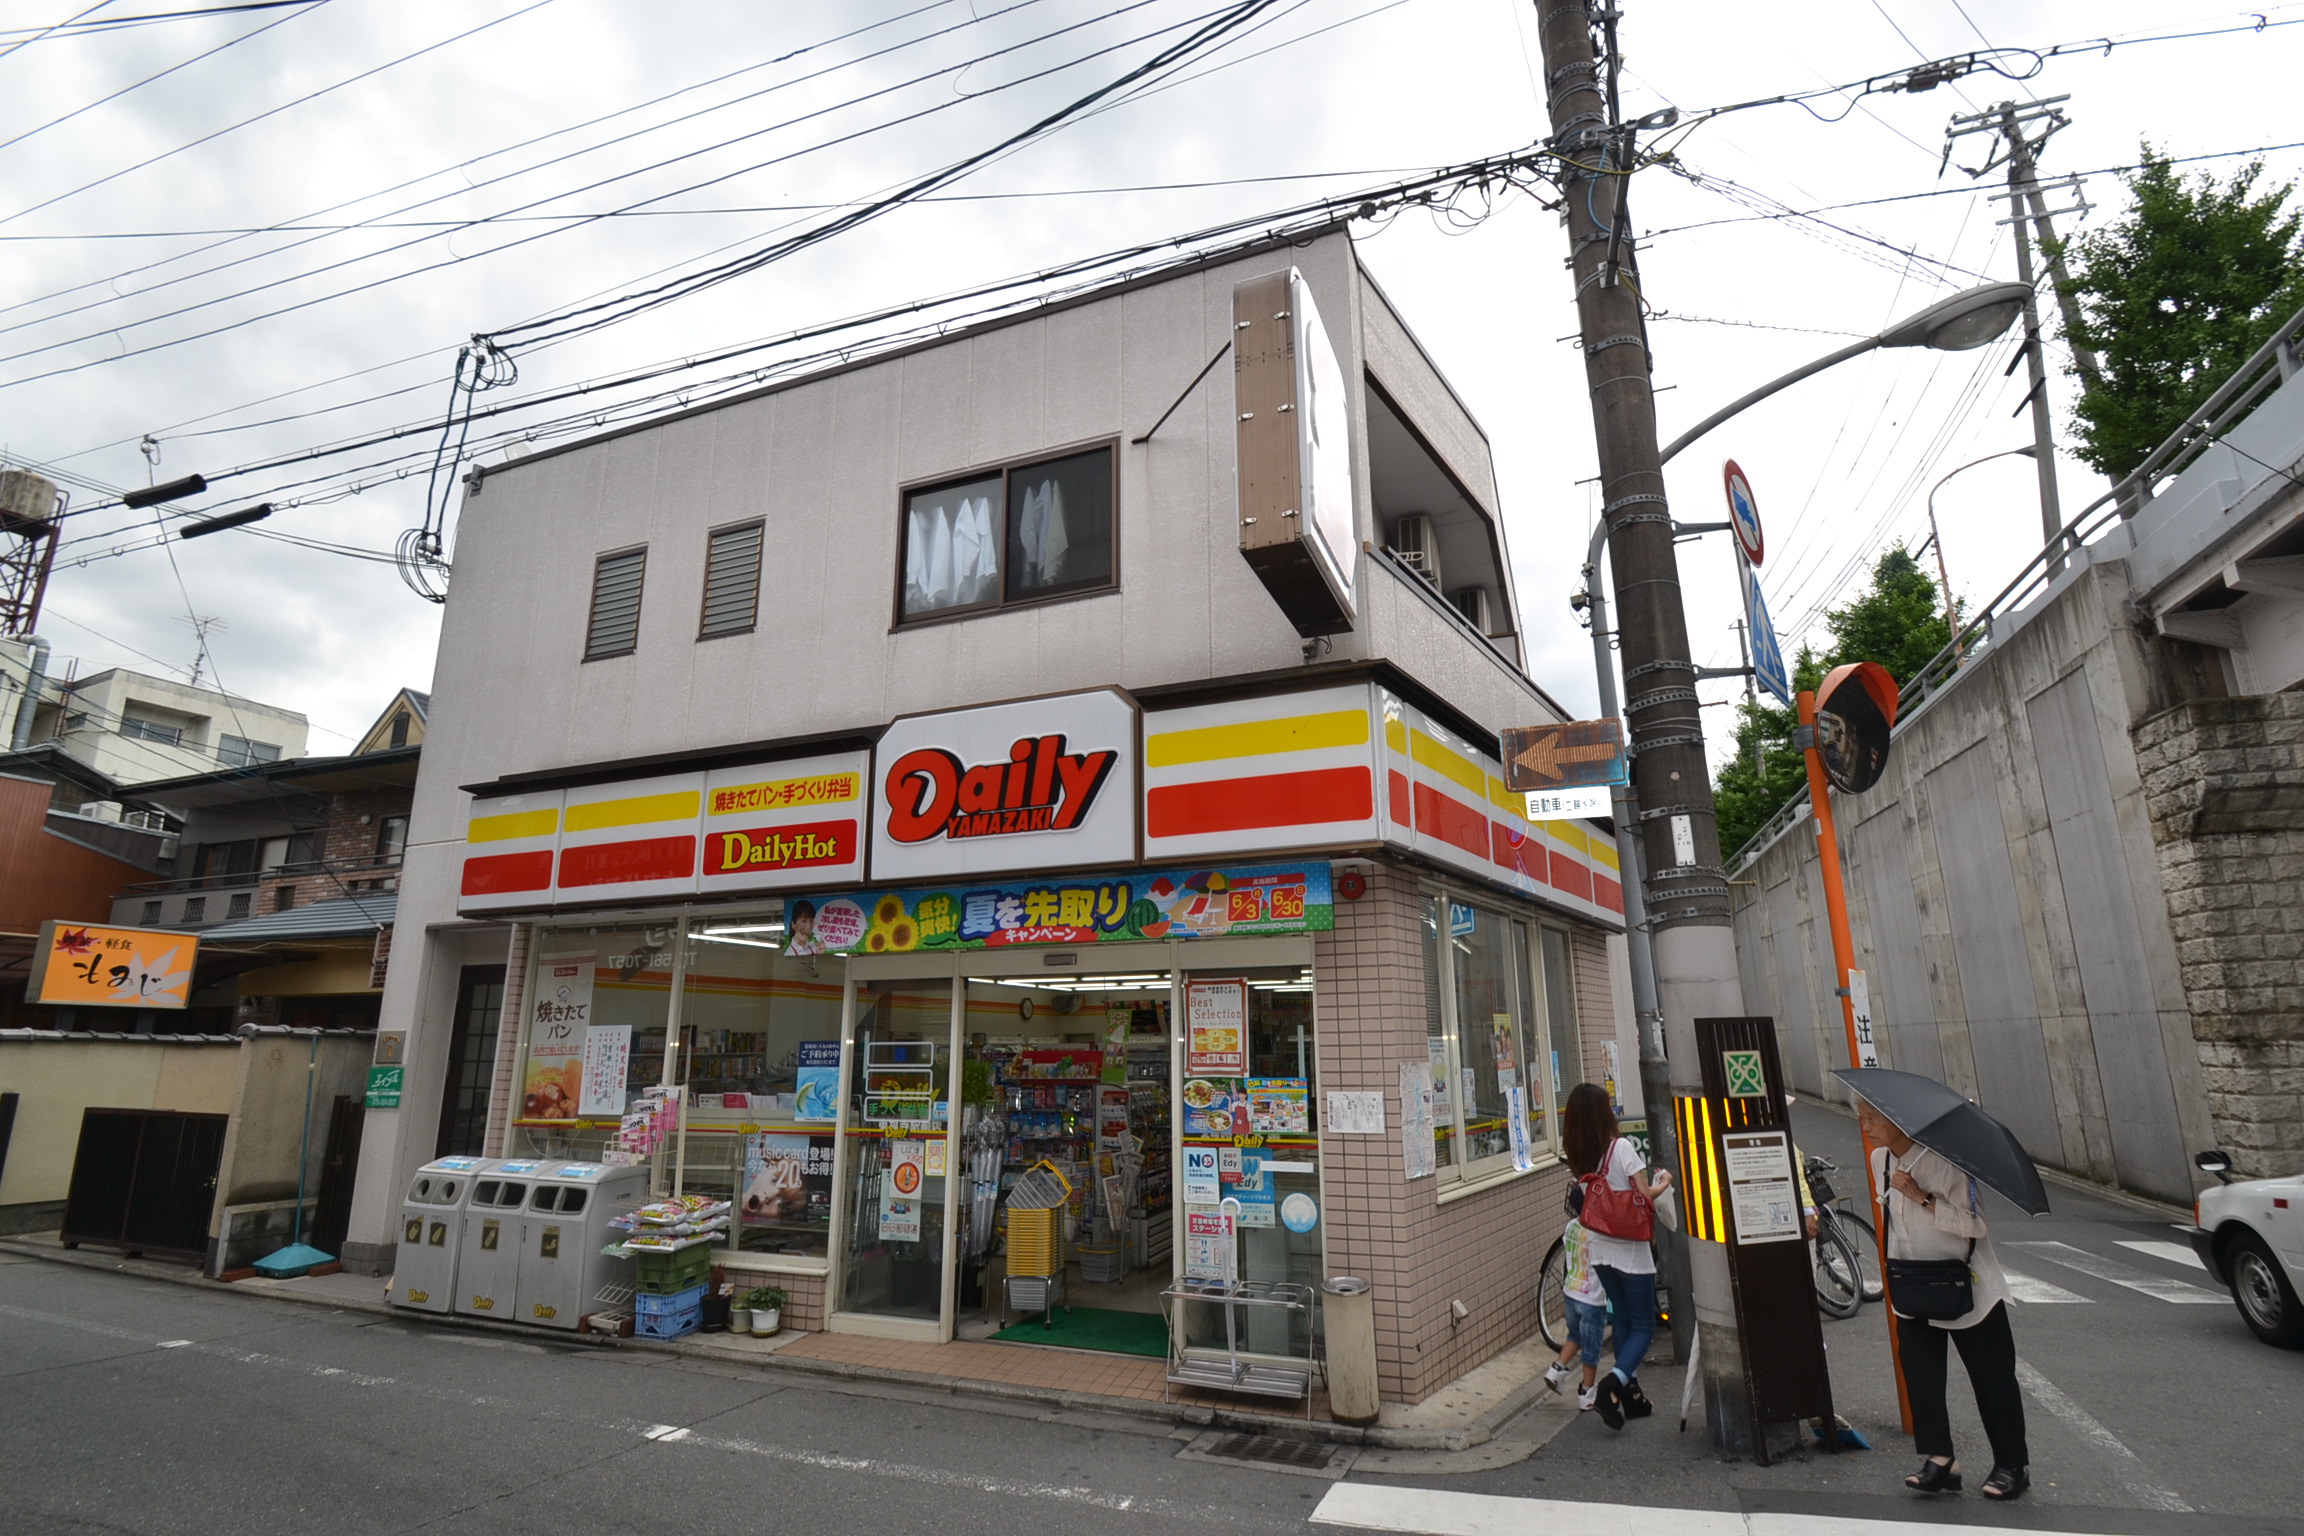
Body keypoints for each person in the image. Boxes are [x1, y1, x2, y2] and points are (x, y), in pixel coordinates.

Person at [1860, 1097, 2030, 1502]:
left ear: (1899, 1120)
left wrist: (1921, 1197)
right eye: (1861, 1117)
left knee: (1992, 1379)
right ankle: (1941, 1461)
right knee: (1922, 1377)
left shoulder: (1948, 1161)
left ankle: (2012, 1465)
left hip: (1967, 1286)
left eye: (1873, 1118)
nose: (1865, 1125)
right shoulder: (1880, 1160)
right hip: (1913, 1282)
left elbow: (1976, 1224)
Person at [1561, 1081, 1670, 1429]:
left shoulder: (1577, 1154)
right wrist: (1664, 1182)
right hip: (1631, 1250)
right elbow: (1645, 1195)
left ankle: (1628, 1393)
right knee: (1644, 1324)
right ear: (1604, 1113)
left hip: (1599, 1250)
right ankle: (1614, 1382)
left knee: (1622, 1316)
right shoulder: (1621, 1148)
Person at [1543, 1211, 1611, 1411]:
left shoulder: (1572, 1225)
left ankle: (1556, 1370)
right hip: (1591, 1298)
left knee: (1575, 1334)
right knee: (1591, 1348)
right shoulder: (1598, 1232)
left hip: (1571, 1292)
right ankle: (1587, 1393)